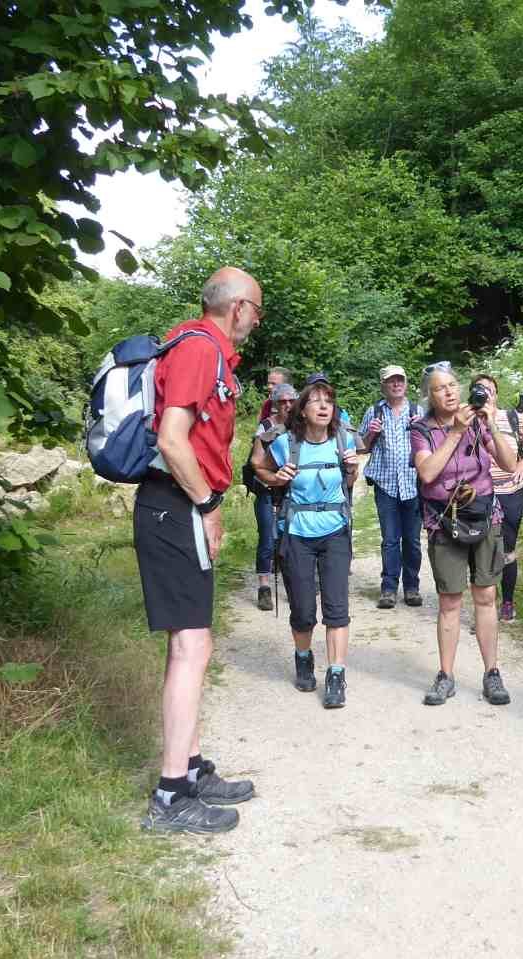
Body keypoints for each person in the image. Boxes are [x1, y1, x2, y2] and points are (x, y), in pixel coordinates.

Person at [135, 266, 264, 835]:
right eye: (257, 311)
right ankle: (170, 797)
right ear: (238, 308)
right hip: (175, 505)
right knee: (192, 647)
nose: (257, 322)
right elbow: (171, 439)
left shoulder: (203, 349)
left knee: (193, 642)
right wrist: (208, 505)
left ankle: (189, 769)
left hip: (176, 505)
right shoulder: (198, 349)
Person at [408, 362, 518, 707]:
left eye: (453, 385)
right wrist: (456, 432)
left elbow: (510, 464)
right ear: (429, 396)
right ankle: (445, 675)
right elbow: (427, 473)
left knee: (486, 596)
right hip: (444, 520)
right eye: (440, 388)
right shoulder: (421, 430)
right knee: (450, 601)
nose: (449, 392)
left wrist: (491, 424)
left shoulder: (477, 422)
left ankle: (492, 673)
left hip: (484, 516)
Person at [250, 378, 358, 708]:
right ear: (302, 410)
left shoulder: (343, 440)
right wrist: (275, 477)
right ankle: (303, 657)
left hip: (335, 531)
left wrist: (352, 470)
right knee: (303, 609)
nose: (324, 406)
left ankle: (336, 675)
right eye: (316, 401)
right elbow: (258, 467)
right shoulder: (286, 443)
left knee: (337, 609)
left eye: (329, 401)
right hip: (297, 533)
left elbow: (349, 481)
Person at [471, 374, 523, 623]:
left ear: (496, 394)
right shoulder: (466, 419)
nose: (485, 393)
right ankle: (486, 607)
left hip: (510, 493)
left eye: (489, 389)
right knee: (480, 550)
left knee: (507, 549)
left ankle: (508, 602)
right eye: (479, 389)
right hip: (478, 494)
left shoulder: (512, 417)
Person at [358, 364, 425, 609]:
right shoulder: (374, 411)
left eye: (400, 380)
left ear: (406, 384)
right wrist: (371, 434)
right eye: (391, 381)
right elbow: (362, 448)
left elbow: (433, 446)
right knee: (389, 539)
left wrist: (422, 428)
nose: (396, 384)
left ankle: (412, 587)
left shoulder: (419, 411)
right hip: (385, 484)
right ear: (383, 386)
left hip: (413, 484)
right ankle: (388, 589)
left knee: (413, 540)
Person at [250, 382, 298, 611]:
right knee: (267, 538)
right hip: (267, 489)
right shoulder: (266, 426)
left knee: (290, 538)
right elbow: (255, 461)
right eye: (282, 401)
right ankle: (264, 588)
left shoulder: (301, 425)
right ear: (275, 404)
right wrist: (274, 475)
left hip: (291, 491)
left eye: (291, 401)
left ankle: (294, 584)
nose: (287, 405)